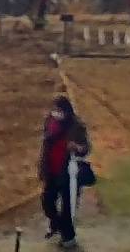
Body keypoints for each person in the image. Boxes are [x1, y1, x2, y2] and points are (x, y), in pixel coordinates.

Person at [40, 95, 90, 249]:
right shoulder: (50, 123)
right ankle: (57, 225)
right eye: (55, 110)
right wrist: (42, 170)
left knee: (68, 208)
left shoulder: (76, 126)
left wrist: (76, 147)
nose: (57, 113)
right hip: (52, 171)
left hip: (68, 174)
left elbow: (85, 148)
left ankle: (68, 239)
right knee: (47, 200)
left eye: (59, 110)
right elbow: (45, 148)